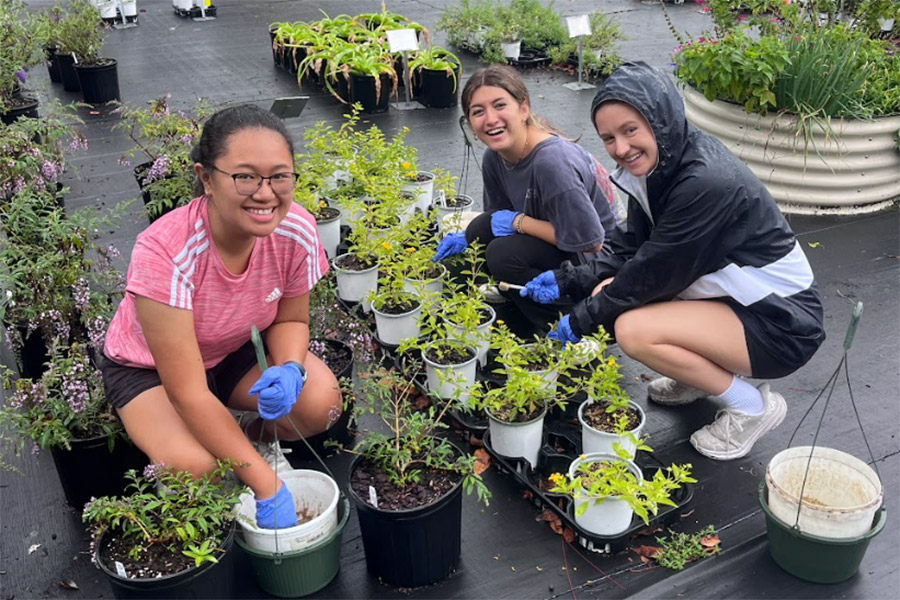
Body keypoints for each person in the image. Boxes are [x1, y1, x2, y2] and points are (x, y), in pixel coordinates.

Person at [522, 62, 826, 461]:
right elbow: (630, 245)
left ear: (659, 119)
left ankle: (752, 407)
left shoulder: (705, 183)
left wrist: (580, 320)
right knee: (606, 294)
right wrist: (569, 280)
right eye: (609, 137)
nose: (620, 148)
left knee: (630, 327)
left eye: (630, 130)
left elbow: (650, 273)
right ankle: (701, 377)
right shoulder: (661, 165)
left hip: (781, 323)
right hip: (734, 301)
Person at [100, 104, 341, 528]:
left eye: (279, 176)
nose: (265, 193)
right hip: (149, 371)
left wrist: (290, 369)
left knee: (320, 405)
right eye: (244, 176)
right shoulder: (166, 252)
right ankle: (226, 456)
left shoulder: (296, 229)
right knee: (198, 470)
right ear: (206, 178)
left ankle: (245, 440)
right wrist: (267, 486)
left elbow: (290, 321)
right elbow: (188, 391)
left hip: (230, 350)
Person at [432, 65, 620, 335]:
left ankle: (569, 323)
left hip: (599, 261)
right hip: (559, 239)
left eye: (500, 105)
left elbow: (591, 242)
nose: (490, 119)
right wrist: (470, 235)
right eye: (478, 111)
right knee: (478, 231)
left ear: (523, 108)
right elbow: (496, 222)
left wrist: (517, 221)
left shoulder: (552, 163)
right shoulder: (494, 158)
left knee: (502, 255)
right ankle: (519, 298)